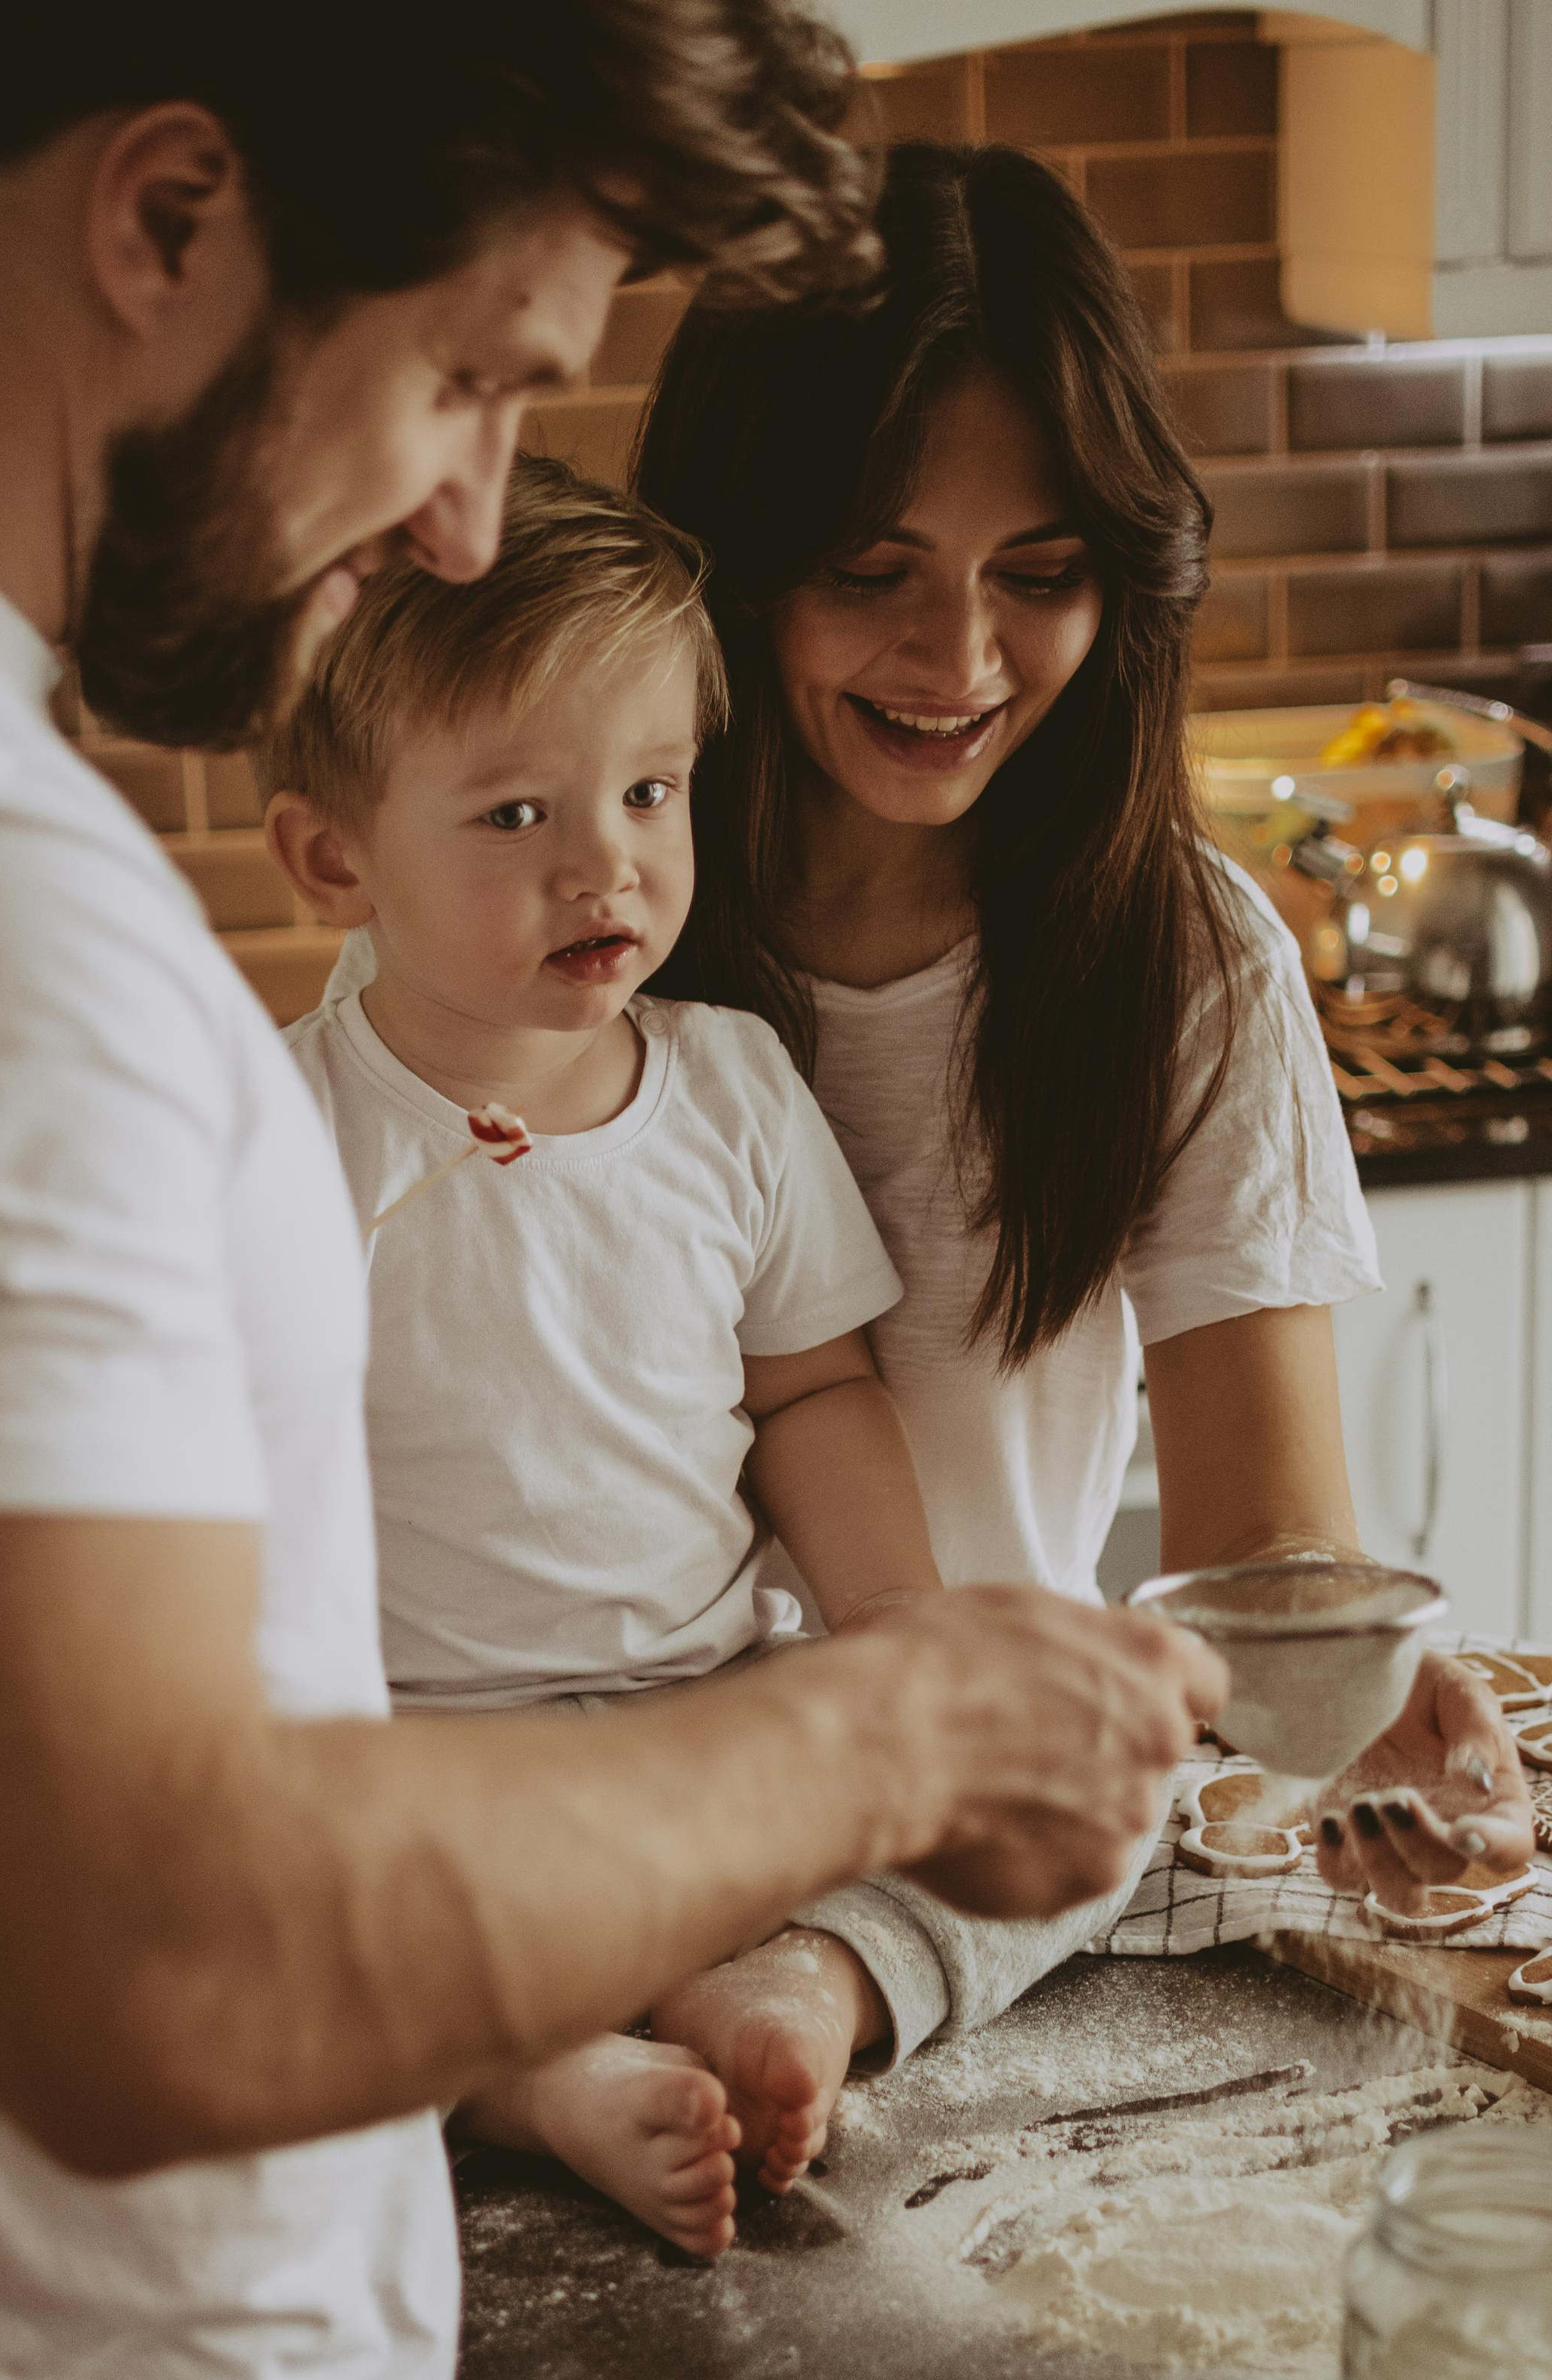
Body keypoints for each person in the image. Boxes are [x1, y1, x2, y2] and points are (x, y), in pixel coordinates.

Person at [0, 25, 1224, 2380]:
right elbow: (156, 1963)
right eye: (476, 372)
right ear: (169, 213)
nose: (477, 510)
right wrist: (903, 1732)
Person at [635, 137, 1533, 1943]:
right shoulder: (562, 907)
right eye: (873, 567)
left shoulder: (1180, 963)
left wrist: (1356, 1706)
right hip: (590, 1842)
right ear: (736, 558)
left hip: (964, 1888)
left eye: (1034, 572)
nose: (955, 655)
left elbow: (1262, 1546)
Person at [271, 457, 956, 2256]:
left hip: (710, 1729)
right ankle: (530, 2075)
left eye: (650, 789)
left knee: (1101, 1817)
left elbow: (811, 1388)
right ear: (332, 854)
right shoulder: (272, 1136)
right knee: (249, 1911)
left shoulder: (728, 1083)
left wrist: (895, 1640)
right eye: (513, 817)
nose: (609, 863)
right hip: (428, 1763)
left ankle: (799, 1985)